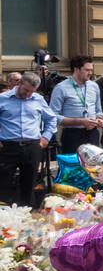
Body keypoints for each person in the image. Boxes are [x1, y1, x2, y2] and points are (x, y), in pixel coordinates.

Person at [0, 72, 60, 207]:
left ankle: (27, 214)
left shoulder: (38, 99)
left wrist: (46, 137)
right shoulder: (3, 98)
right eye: (25, 90)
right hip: (8, 146)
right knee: (3, 183)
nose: (27, 94)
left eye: (31, 92)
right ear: (19, 83)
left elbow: (51, 118)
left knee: (29, 183)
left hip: (32, 145)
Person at [49, 55, 103, 152]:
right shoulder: (61, 88)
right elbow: (53, 115)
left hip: (92, 134)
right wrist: (81, 121)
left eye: (91, 70)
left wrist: (99, 120)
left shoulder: (94, 86)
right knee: (74, 166)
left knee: (92, 166)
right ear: (76, 69)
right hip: (72, 134)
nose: (90, 73)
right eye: (87, 70)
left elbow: (98, 110)